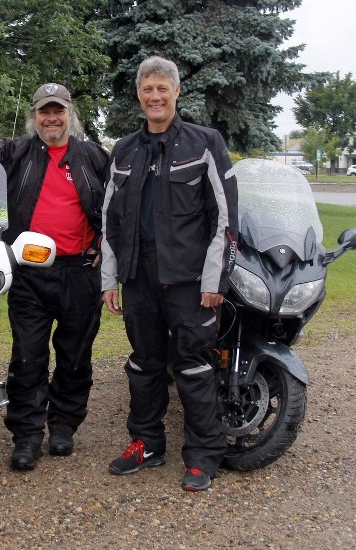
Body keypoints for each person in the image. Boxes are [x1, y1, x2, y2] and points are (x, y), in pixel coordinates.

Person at [0, 83, 109, 471]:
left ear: (69, 113)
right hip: (29, 273)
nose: (52, 119)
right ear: (35, 116)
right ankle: (27, 435)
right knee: (27, 357)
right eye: (44, 112)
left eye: (58, 111)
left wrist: (106, 244)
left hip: (80, 272)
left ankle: (63, 425)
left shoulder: (93, 156)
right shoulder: (17, 152)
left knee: (75, 357)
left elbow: (118, 202)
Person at [100, 55, 238, 491]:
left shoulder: (205, 142)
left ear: (177, 92)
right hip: (139, 279)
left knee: (194, 368)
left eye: (163, 88)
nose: (155, 96)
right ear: (139, 95)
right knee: (144, 365)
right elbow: (109, 222)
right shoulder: (123, 151)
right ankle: (146, 443)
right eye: (147, 89)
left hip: (190, 284)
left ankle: (202, 456)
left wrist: (215, 282)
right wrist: (109, 279)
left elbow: (226, 219)